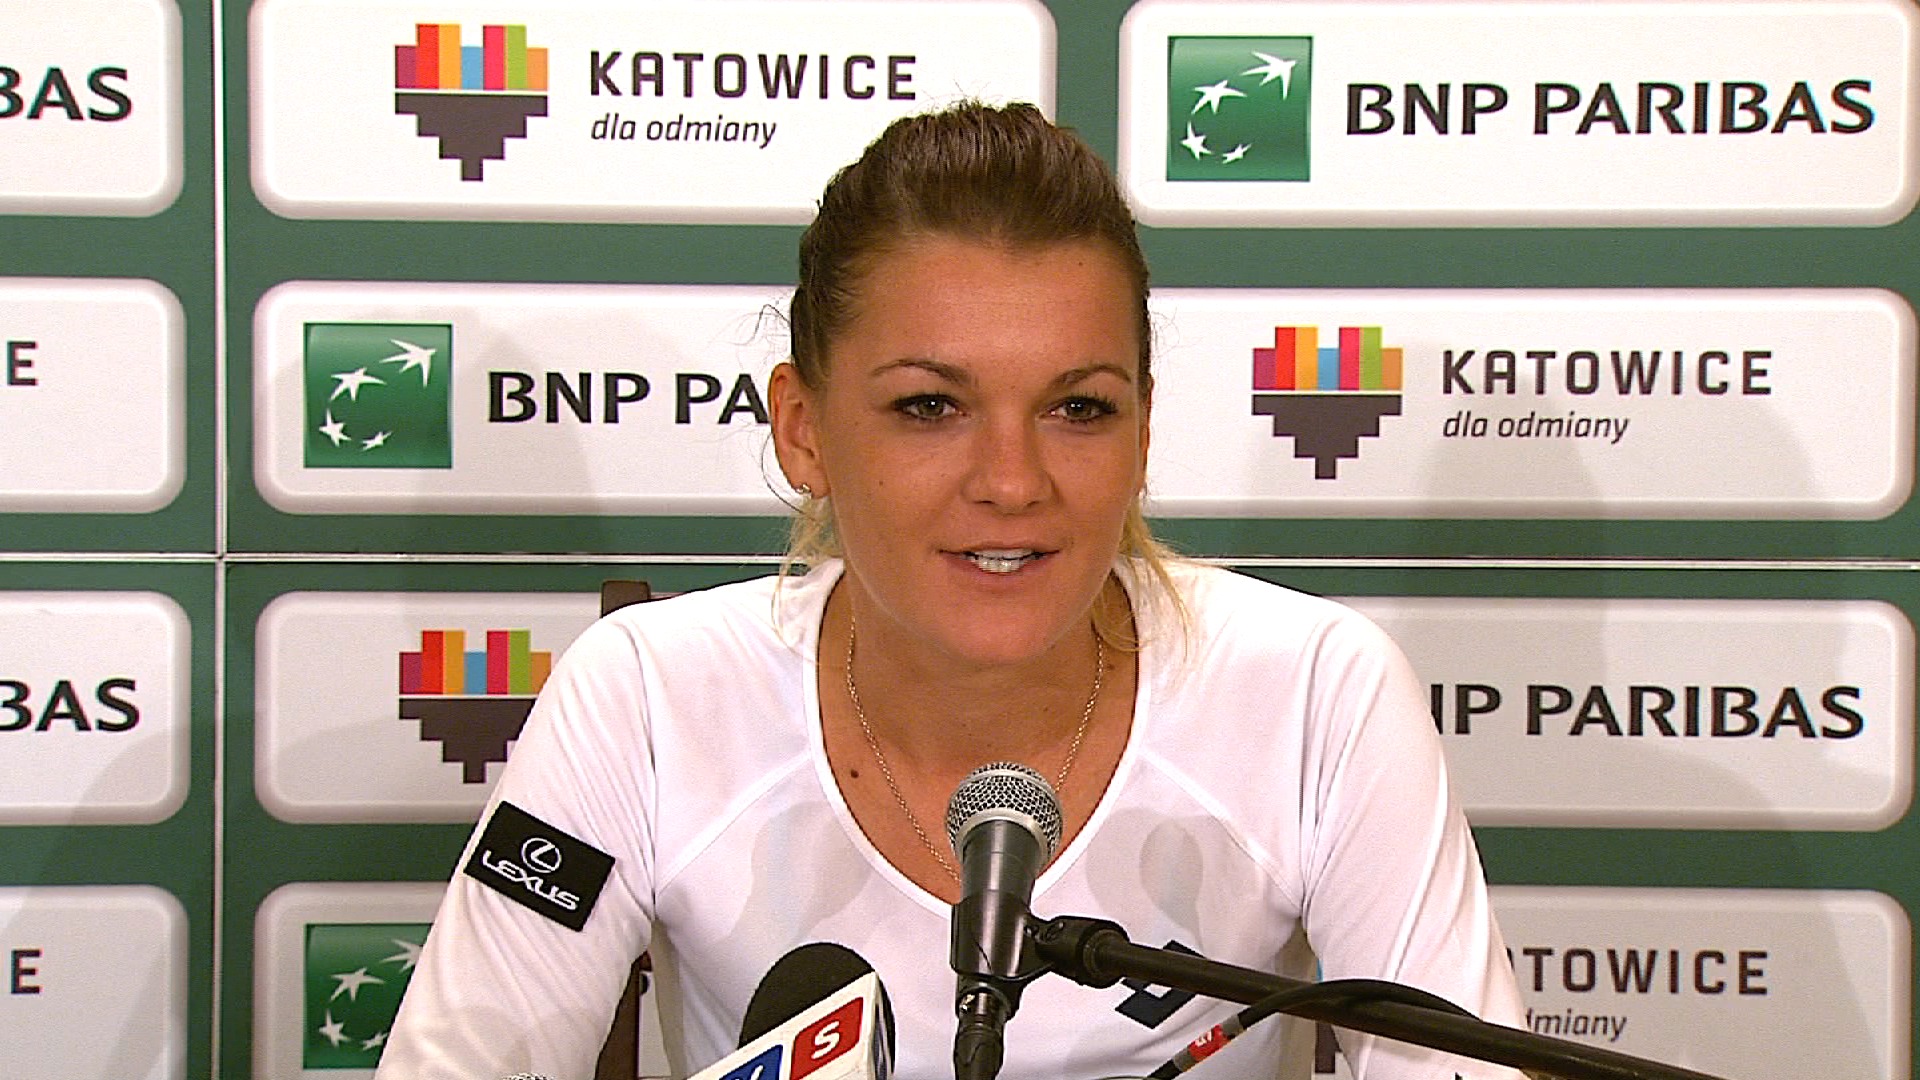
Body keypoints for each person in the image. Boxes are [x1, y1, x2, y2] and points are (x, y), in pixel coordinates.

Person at [376, 101, 1525, 1080]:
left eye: (1078, 408)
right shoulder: (643, 698)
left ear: (1143, 433)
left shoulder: (1318, 692)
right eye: (930, 406)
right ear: (804, 429)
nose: (1013, 482)